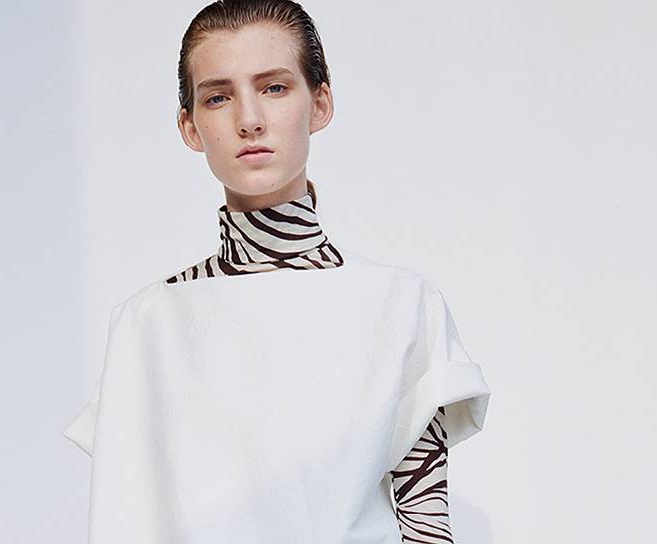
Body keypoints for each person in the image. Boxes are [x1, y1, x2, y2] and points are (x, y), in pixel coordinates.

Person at [63, 1, 491, 543]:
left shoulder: (401, 304)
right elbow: (122, 520)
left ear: (320, 103)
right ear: (190, 126)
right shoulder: (146, 323)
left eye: (274, 87)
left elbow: (425, 519)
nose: (249, 119)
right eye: (218, 97)